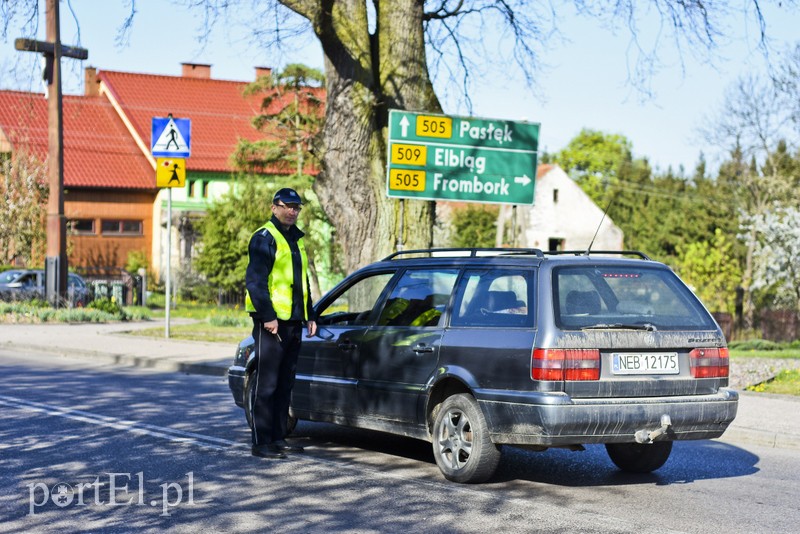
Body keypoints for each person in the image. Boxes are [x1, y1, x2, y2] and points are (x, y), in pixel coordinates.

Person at [245, 187, 317, 459]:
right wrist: (267, 316)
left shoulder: (295, 239)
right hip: (271, 323)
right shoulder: (265, 237)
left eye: (296, 207)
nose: (292, 211)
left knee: (285, 383)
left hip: (293, 321)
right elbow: (255, 281)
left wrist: (310, 315)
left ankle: (278, 437)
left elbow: (302, 282)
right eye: (287, 206)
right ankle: (261, 442)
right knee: (267, 384)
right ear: (274, 207)